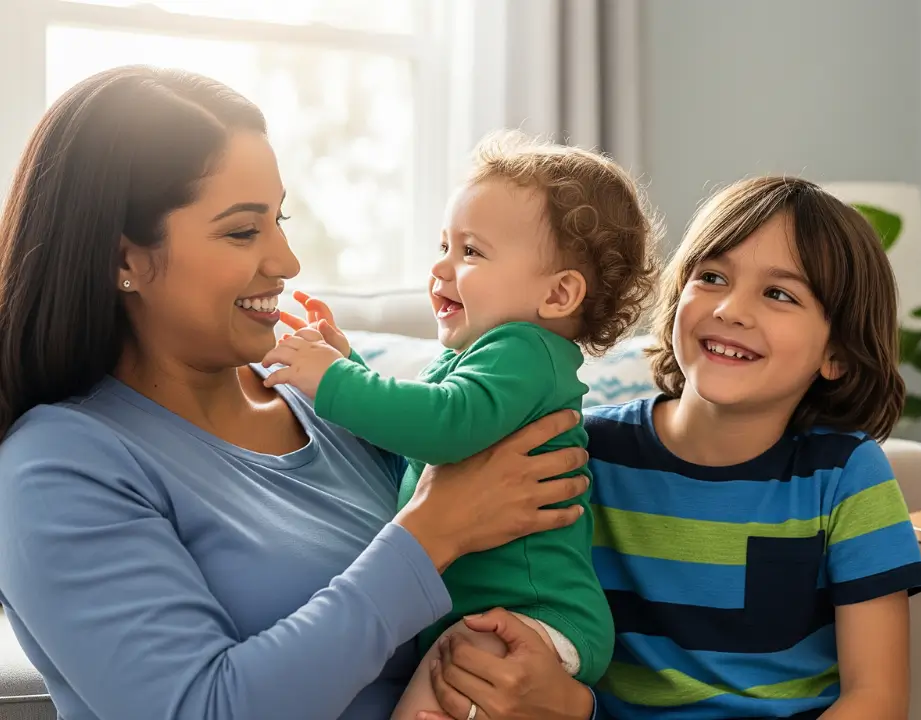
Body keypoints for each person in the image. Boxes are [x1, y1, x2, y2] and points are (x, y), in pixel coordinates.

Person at [0, 65, 591, 720]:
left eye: (278, 220)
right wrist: (434, 531)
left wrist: (566, 704)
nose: (286, 261)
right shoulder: (57, 467)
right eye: (242, 230)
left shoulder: (328, 400)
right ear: (124, 261)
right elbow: (204, 709)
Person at [422, 176, 921, 719]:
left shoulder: (845, 472)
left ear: (837, 354)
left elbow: (875, 699)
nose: (732, 309)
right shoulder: (578, 450)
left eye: (779, 293)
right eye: (711, 277)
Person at [262, 130, 659, 717]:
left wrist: (332, 381)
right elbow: (416, 421)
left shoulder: (524, 351)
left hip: (528, 615)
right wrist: (347, 363)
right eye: (444, 244)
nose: (440, 267)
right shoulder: (482, 358)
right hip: (493, 613)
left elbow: (442, 426)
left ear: (559, 294)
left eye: (470, 252)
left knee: (450, 678)